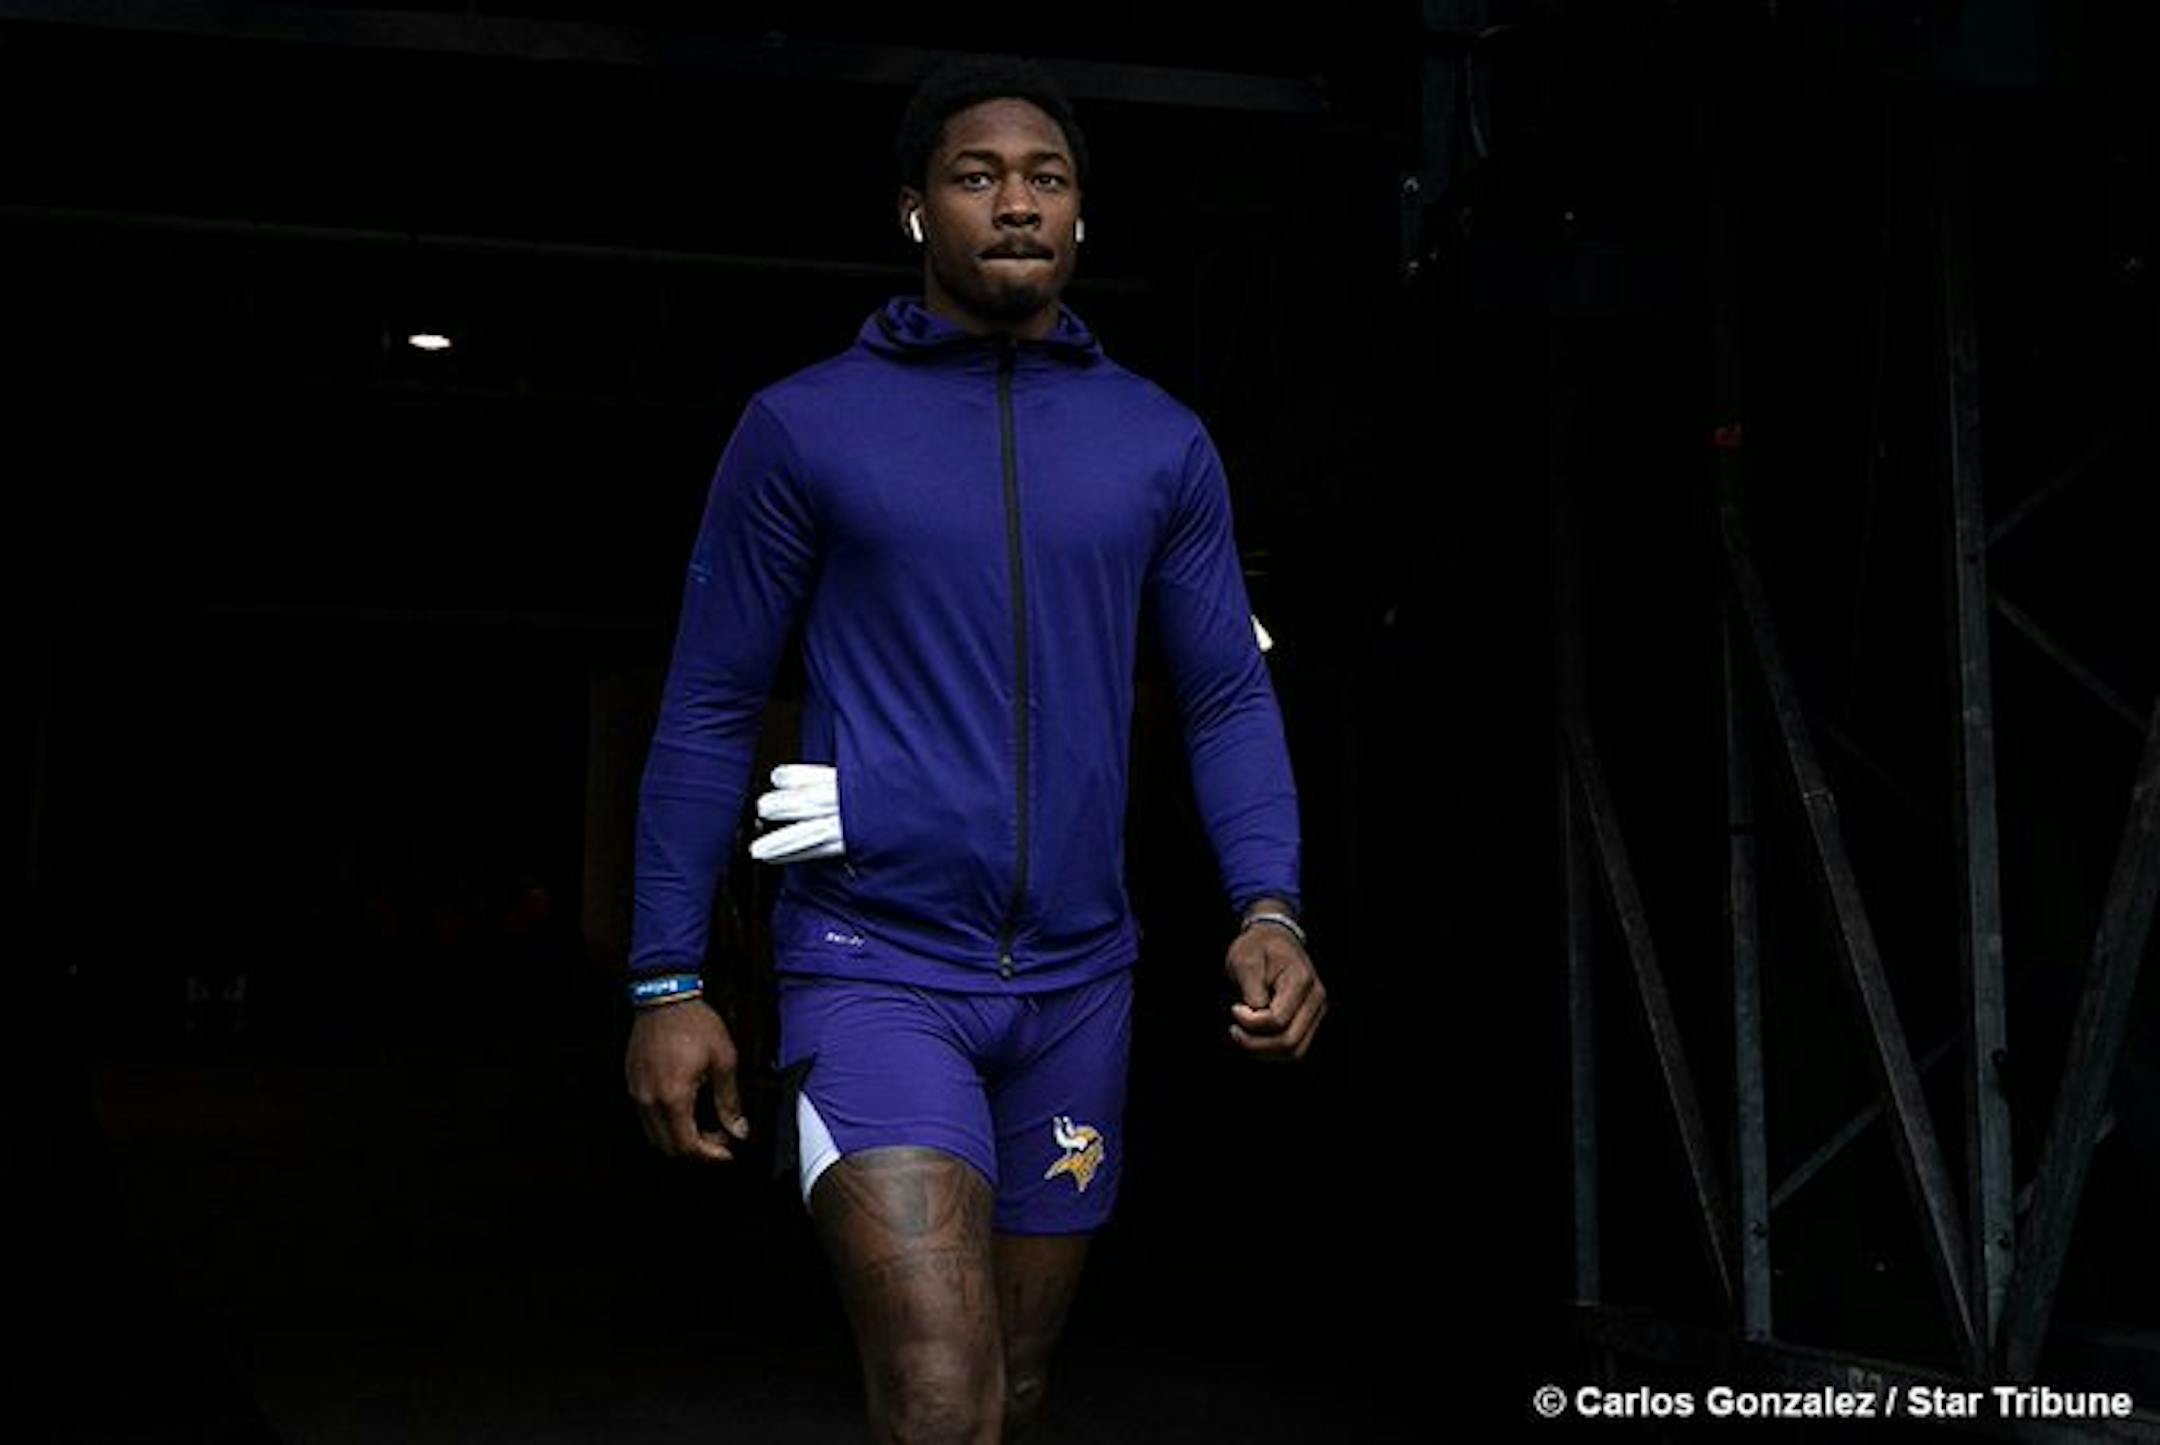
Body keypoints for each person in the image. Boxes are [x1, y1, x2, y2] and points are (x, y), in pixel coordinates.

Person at [622, 55, 1325, 1444]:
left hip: (1082, 984)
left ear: (1082, 216)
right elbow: (708, 702)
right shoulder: (807, 426)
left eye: (1045, 179)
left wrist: (1272, 906)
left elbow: (1225, 699)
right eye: (977, 176)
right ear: (914, 210)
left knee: (1014, 1385)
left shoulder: (1158, 444)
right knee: (942, 1391)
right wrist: (666, 977)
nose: (1016, 203)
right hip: (875, 966)